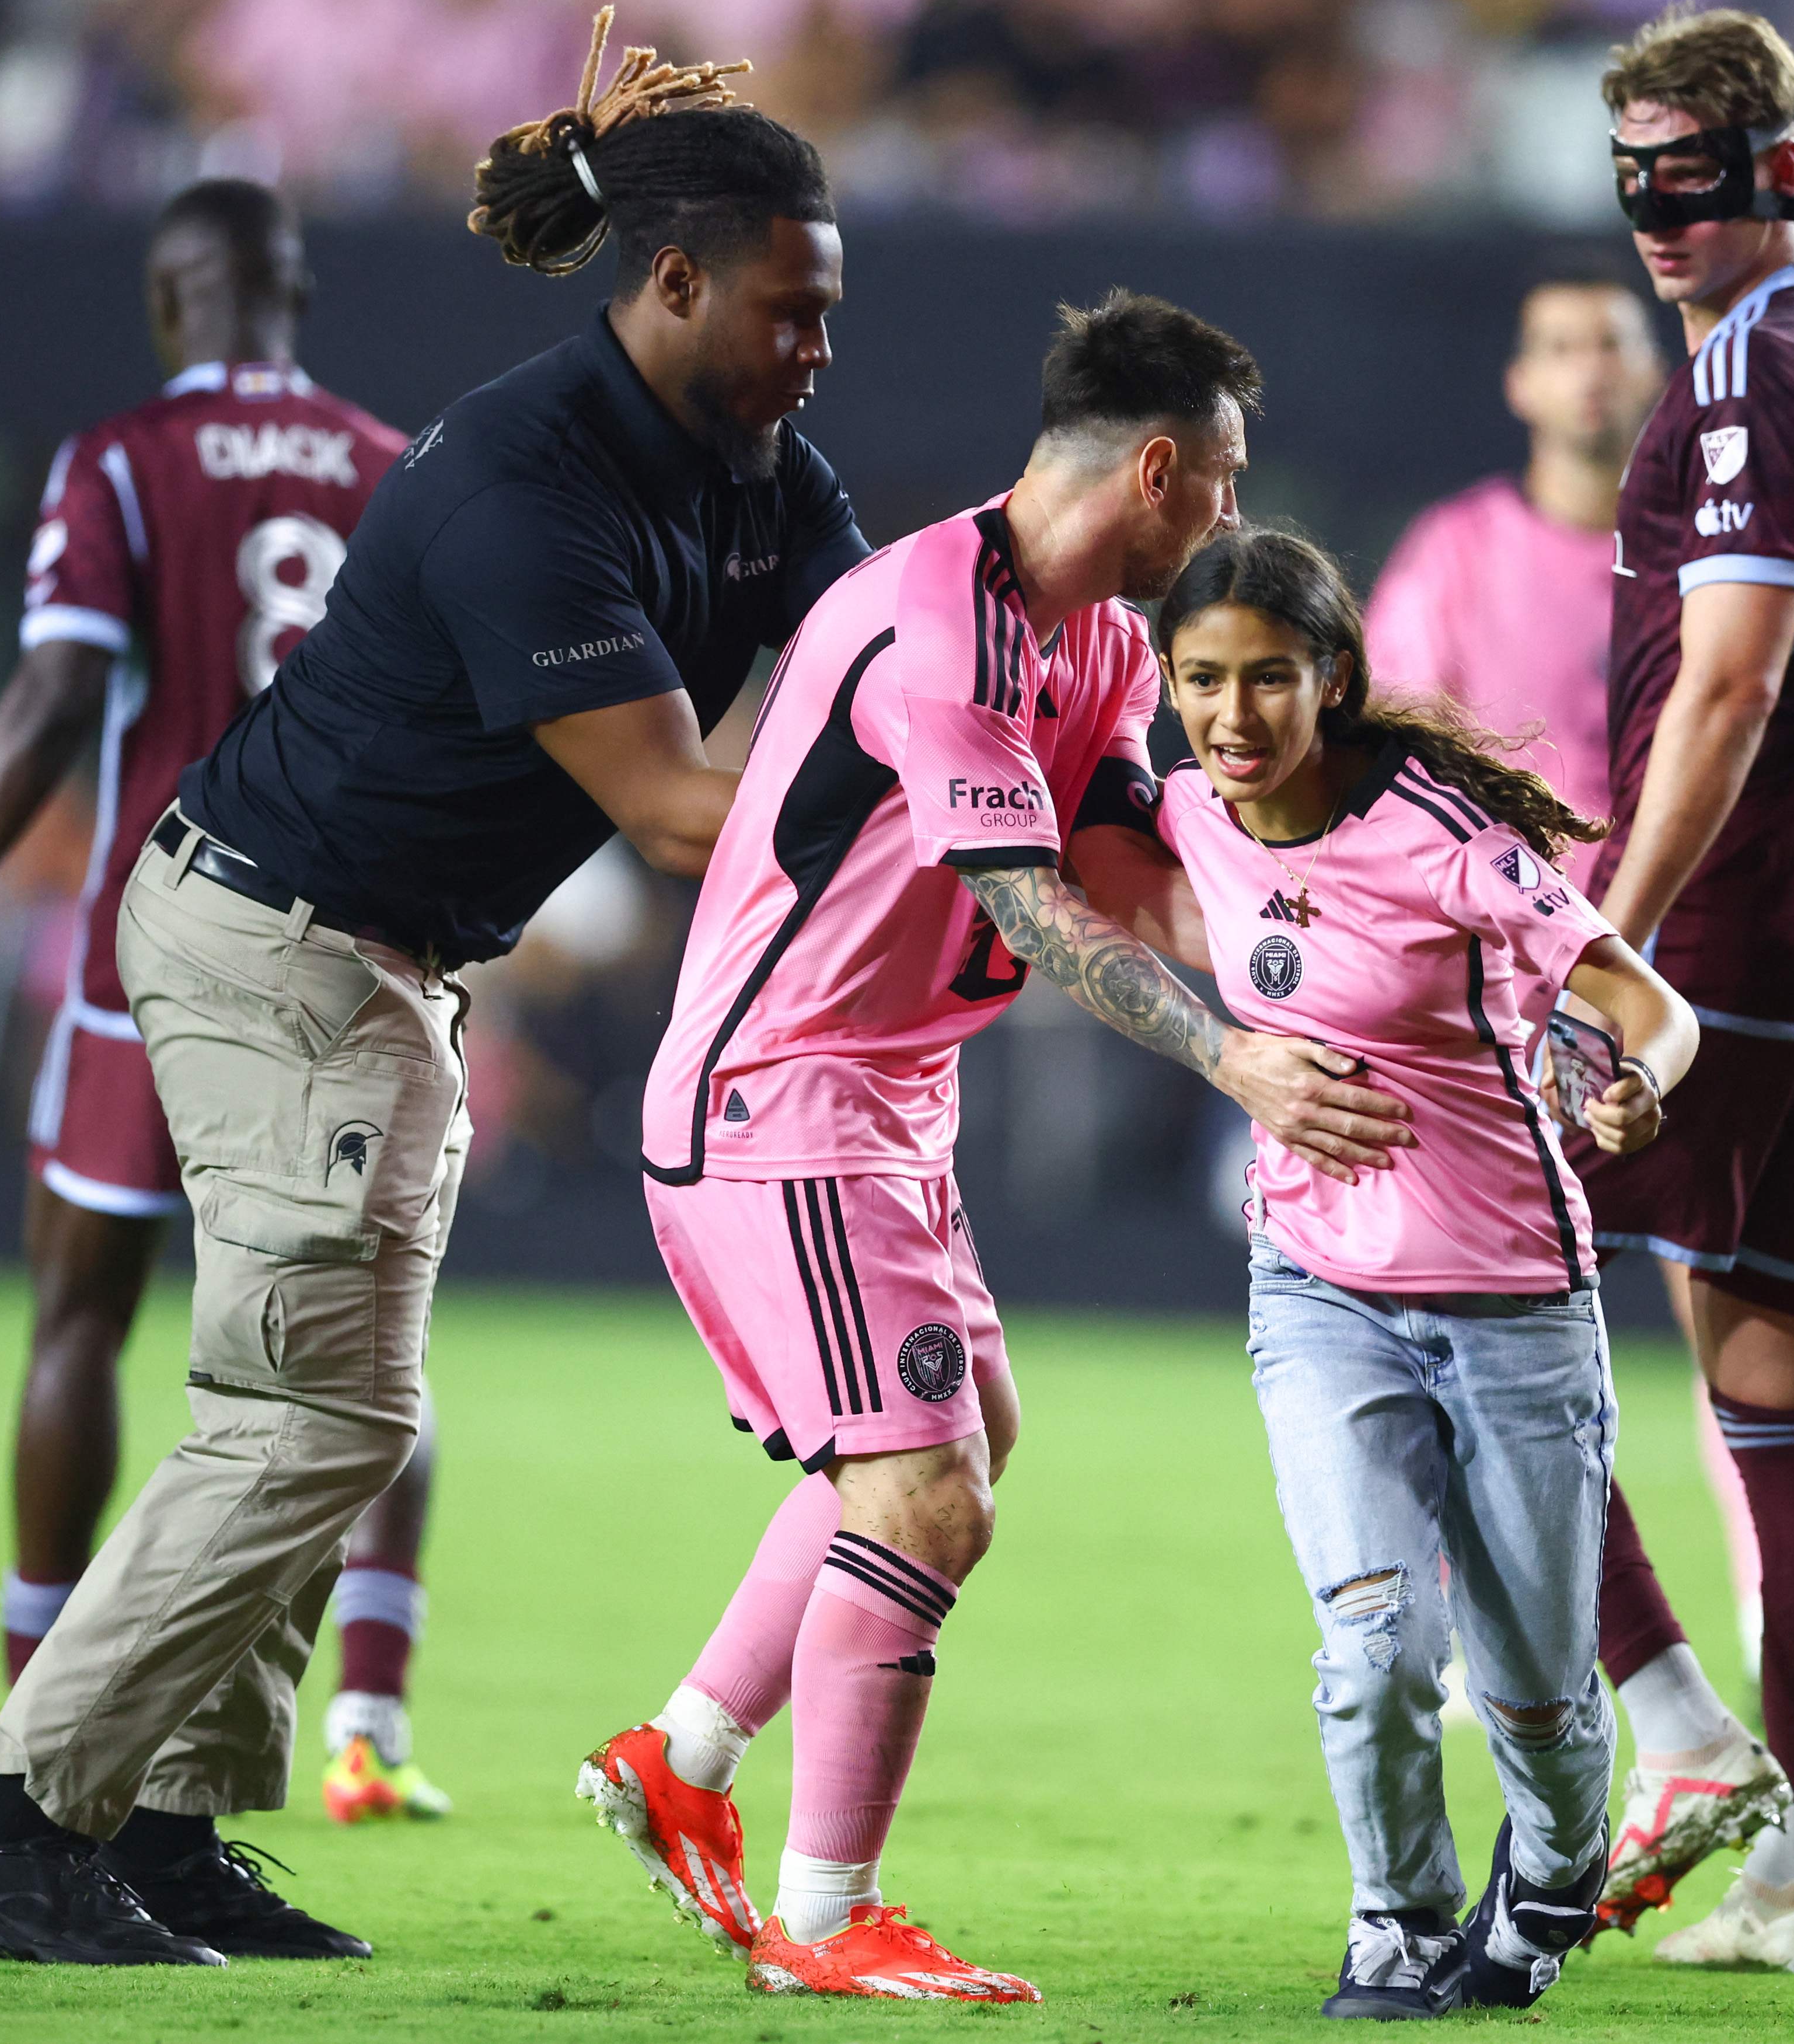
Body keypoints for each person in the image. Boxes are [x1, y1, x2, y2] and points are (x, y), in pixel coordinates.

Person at [0, 12, 868, 1967]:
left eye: (829, 311)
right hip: (279, 938)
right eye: (786, 308)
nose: (813, 345)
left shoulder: (759, 462)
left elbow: (877, 654)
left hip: (370, 952)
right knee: (314, 1414)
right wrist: (939, 796)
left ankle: (163, 1834)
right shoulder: (528, 478)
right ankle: (21, 1818)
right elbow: (680, 806)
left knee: (307, 1398)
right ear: (670, 282)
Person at [582, 292, 1411, 2004]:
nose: (1235, 524)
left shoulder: (1100, 640)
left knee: (963, 1441)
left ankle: (682, 1755)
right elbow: (1026, 911)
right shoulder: (927, 620)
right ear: (1162, 468)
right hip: (783, 1097)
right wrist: (1232, 1056)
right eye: (1228, 484)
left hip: (881, 1104)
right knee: (922, 1486)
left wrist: (1320, 946)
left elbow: (1124, 866)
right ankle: (825, 1913)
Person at [0, 179, 453, 1826]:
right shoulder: (386, 461)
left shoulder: (119, 459)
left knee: (78, 1317)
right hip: (353, 960)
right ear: (294, 292)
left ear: (167, 298)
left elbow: (59, 688)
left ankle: (25, 1715)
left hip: (165, 962)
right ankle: (370, 1717)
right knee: (359, 1354)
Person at [1146, 528, 1699, 2017]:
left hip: (1513, 1305)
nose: (1234, 714)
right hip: (1317, 1294)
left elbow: (1650, 1006)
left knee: (1532, 1689)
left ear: (1333, 679)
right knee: (1376, 1648)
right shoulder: (1182, 813)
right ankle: (1394, 1920)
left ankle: (1558, 1869)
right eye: (1201, 679)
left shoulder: (1442, 833)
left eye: (1269, 677)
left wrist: (1638, 1083)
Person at [1571, 6, 1794, 1970]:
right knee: (1777, 1392)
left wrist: (1606, 934)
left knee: (1446, 1319)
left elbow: (1721, 680)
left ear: (1772, 171)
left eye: (1684, 173)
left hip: (1714, 957)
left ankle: (1668, 1726)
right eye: (1627, 172)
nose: (1650, 212)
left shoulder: (1740, 386)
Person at [1360, 260, 1663, 820]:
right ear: (1518, 384)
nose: (1591, 370)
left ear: (1656, 373)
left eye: (1612, 345)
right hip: (1512, 895)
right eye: (1561, 348)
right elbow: (1394, 744)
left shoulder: (1709, 546)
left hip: (1684, 899)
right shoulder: (1452, 551)